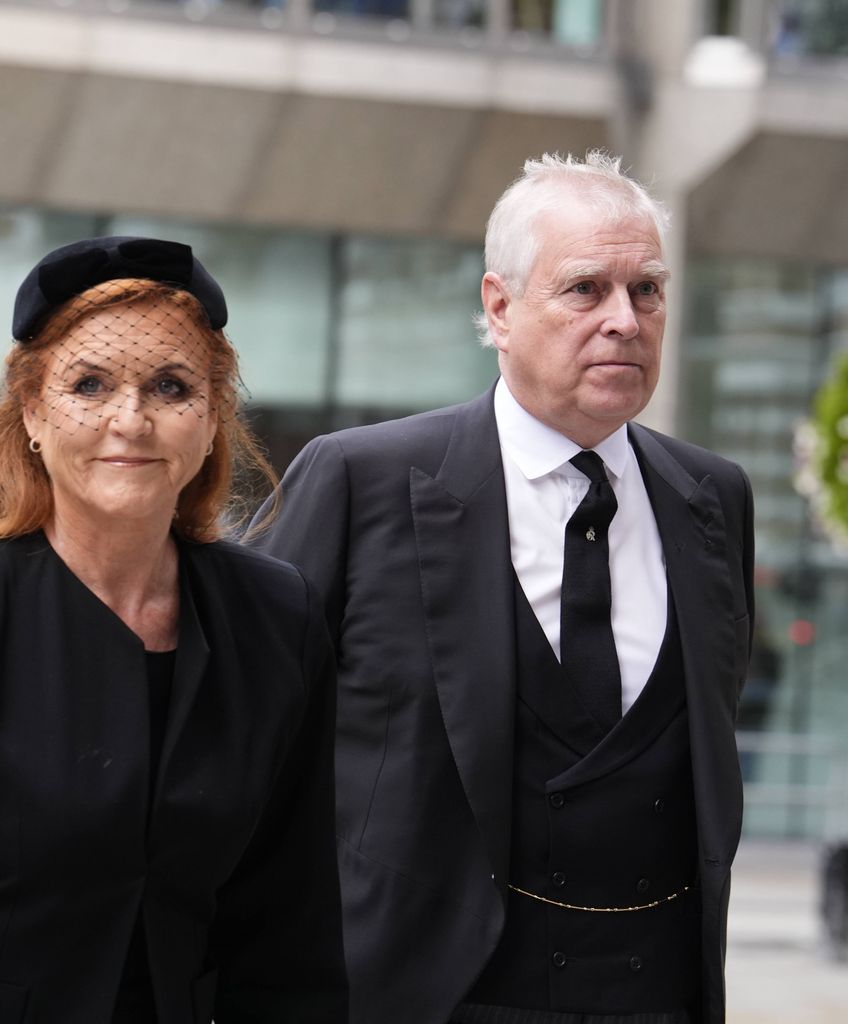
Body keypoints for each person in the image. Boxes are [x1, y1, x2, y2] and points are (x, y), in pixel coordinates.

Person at [247, 153, 754, 1024]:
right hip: (422, 993)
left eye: (648, 291)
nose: (624, 322)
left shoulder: (715, 498)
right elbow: (249, 744)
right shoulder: (361, 481)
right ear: (499, 307)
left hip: (657, 993)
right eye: (586, 289)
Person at [0, 236, 347, 1023]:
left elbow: (290, 922)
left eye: (171, 387)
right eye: (90, 384)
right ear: (33, 412)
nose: (129, 419)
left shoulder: (278, 616)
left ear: (212, 421)